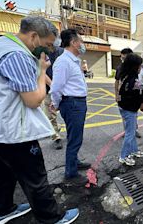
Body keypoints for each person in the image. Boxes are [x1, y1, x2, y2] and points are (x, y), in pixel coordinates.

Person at [0, 16, 79, 224]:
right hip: (11, 130)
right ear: (34, 36)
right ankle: (52, 218)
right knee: (35, 176)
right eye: (46, 44)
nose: (47, 49)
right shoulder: (16, 55)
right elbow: (34, 100)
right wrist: (42, 70)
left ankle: (1, 210)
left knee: (1, 171)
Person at [50, 29, 90, 183]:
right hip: (72, 103)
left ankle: (75, 163)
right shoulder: (63, 61)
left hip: (77, 102)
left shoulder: (73, 60)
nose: (82, 45)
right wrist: (56, 103)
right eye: (80, 41)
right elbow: (56, 87)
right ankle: (71, 173)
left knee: (75, 137)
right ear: (73, 42)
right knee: (74, 139)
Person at [115, 48, 141, 138]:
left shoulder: (134, 69)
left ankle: (134, 130)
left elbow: (139, 83)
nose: (123, 60)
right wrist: (116, 94)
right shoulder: (120, 68)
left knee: (133, 115)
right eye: (122, 58)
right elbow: (117, 81)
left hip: (132, 98)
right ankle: (128, 131)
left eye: (124, 58)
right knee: (126, 116)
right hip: (124, 97)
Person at [43, 42, 64, 150]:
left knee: (66, 112)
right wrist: (53, 87)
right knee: (50, 115)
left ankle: (66, 130)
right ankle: (56, 137)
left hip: (63, 89)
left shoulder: (61, 51)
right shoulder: (41, 52)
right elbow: (41, 72)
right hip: (48, 89)